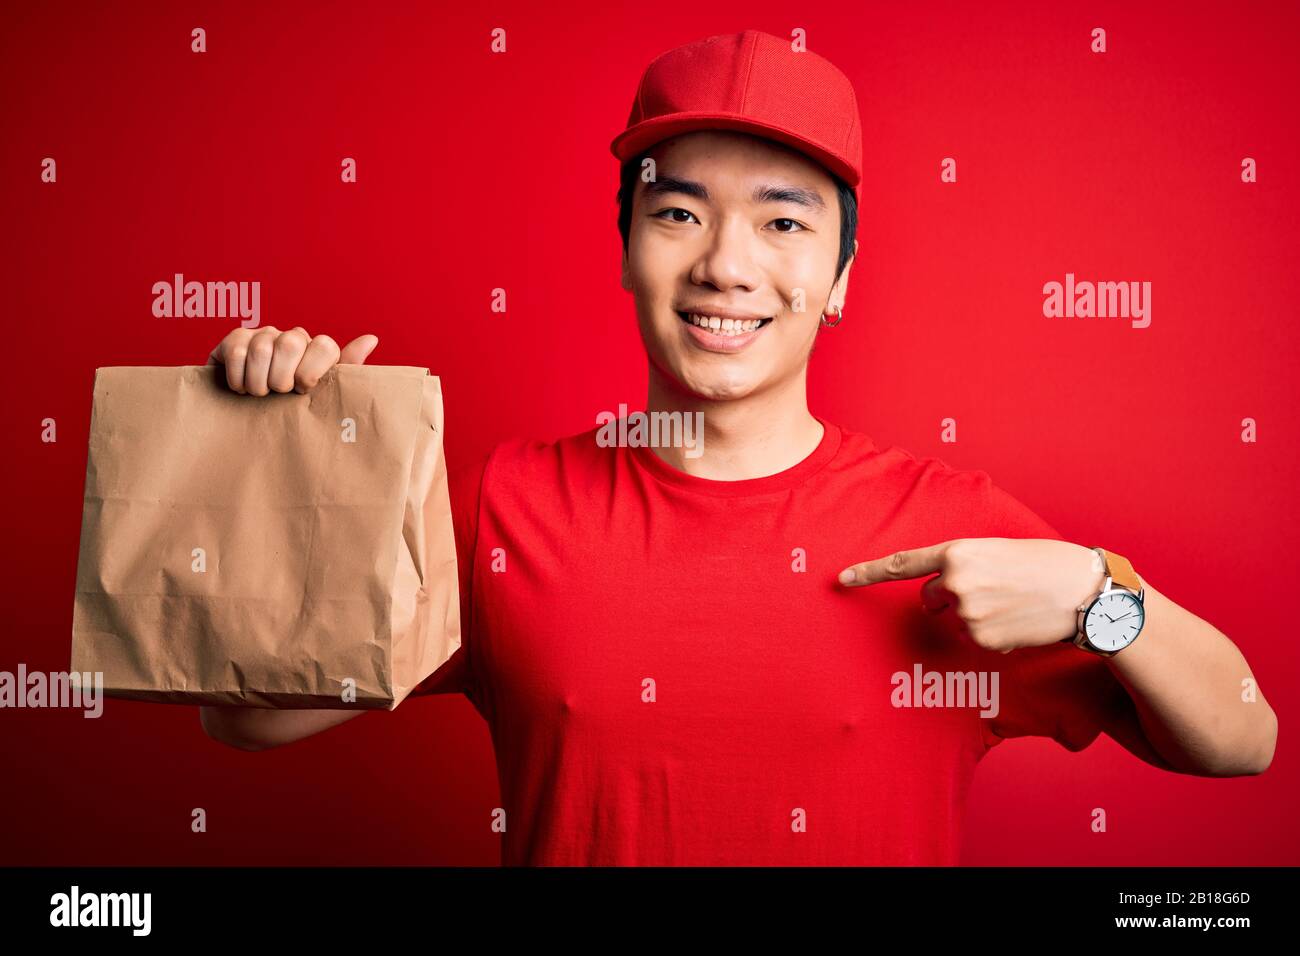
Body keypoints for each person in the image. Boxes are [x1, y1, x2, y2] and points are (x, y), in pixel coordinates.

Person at [199, 30, 1276, 865]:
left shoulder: (950, 532)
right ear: (626, 248)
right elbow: (247, 714)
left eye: (784, 222)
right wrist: (277, 452)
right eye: (677, 213)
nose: (726, 264)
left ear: (843, 278)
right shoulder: (505, 505)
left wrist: (1099, 592)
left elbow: (1241, 738)